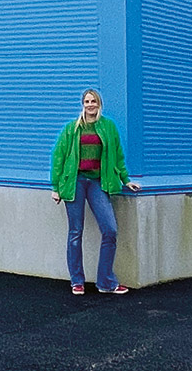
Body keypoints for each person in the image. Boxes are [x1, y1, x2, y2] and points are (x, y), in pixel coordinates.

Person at [50, 87, 140, 294]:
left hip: (97, 182)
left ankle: (106, 282)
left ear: (99, 104)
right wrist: (55, 187)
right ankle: (77, 281)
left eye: (93, 101)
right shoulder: (72, 128)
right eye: (87, 102)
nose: (90, 105)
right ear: (82, 105)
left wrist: (126, 180)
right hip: (74, 182)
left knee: (110, 229)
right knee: (75, 232)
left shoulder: (108, 127)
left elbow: (117, 156)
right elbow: (58, 157)